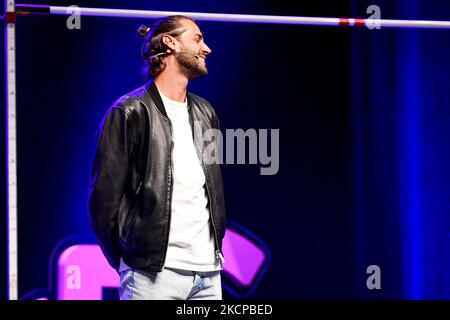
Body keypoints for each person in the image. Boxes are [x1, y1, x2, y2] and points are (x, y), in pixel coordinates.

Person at [88, 15, 227, 300]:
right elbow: (103, 203)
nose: (207, 48)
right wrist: (133, 260)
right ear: (170, 42)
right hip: (152, 277)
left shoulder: (206, 113)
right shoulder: (130, 112)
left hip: (209, 275)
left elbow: (211, 192)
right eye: (198, 39)